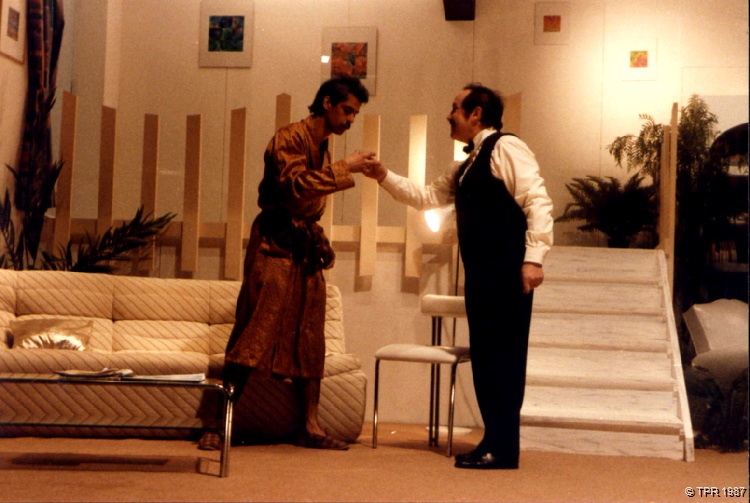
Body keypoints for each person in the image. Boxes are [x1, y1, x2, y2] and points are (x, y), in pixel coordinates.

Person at [362, 83, 553, 469]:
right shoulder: (465, 165)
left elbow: (537, 201)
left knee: (504, 359)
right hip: (482, 275)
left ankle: (503, 448)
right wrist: (383, 175)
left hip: (506, 272)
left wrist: (534, 258)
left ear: (476, 114)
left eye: (455, 107)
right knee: (486, 358)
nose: (449, 115)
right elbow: (425, 197)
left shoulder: (506, 147)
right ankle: (494, 441)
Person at [200, 76, 378, 451]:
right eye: (347, 111)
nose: (350, 120)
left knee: (310, 336)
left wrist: (320, 240)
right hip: (274, 245)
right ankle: (217, 423)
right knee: (254, 330)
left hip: (303, 249)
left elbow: (308, 207)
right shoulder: (290, 138)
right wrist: (346, 167)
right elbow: (294, 186)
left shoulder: (322, 146)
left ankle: (309, 425)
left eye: (355, 114)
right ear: (327, 103)